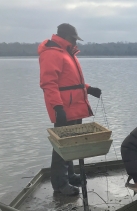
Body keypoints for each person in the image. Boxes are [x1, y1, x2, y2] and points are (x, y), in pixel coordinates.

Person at [38, 23, 102, 196]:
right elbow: (48, 84)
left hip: (75, 106)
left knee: (72, 143)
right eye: (73, 39)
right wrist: (57, 107)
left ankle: (70, 175)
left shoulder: (67, 53)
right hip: (64, 108)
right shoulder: (52, 53)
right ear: (65, 37)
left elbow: (70, 82)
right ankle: (60, 184)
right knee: (61, 147)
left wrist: (88, 89)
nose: (75, 42)